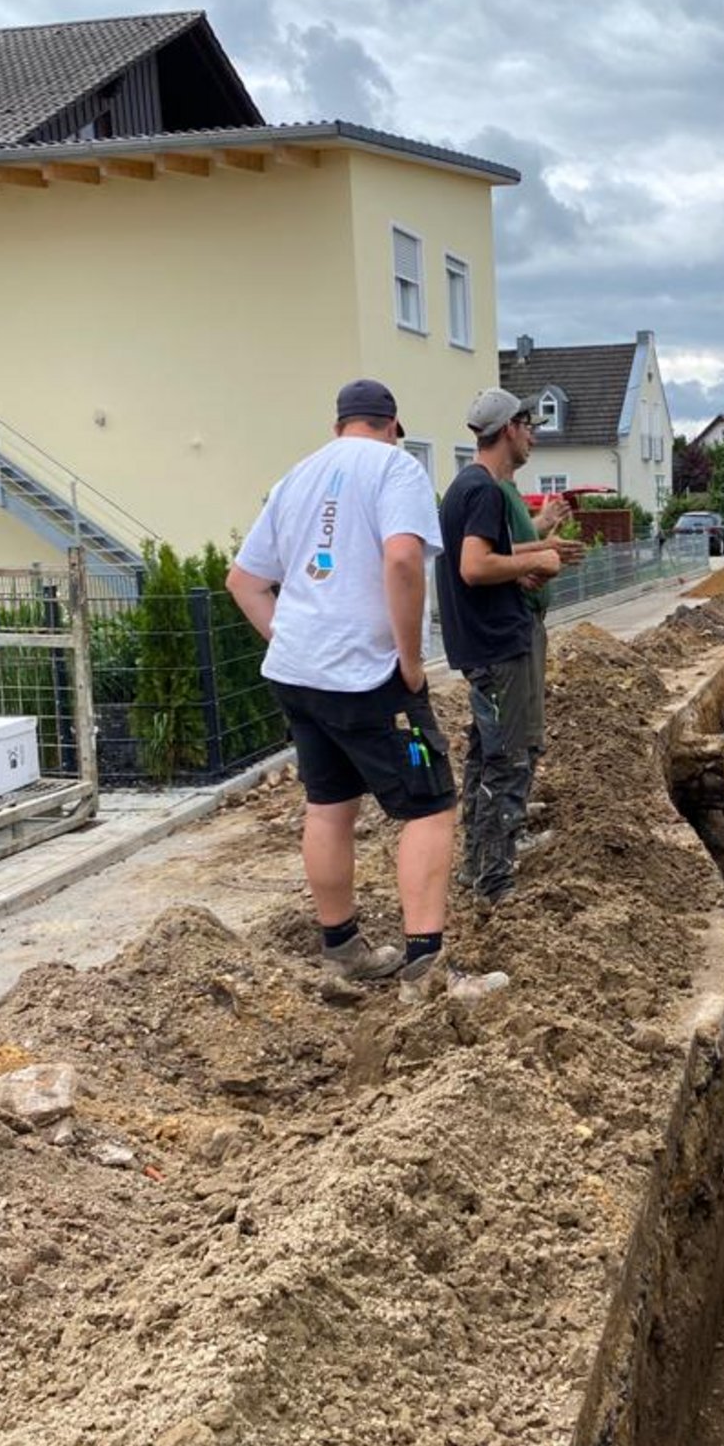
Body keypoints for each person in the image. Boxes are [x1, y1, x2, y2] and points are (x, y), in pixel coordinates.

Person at [225, 378, 507, 1003]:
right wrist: (409, 660)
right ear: (391, 425)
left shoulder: (297, 476)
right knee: (430, 805)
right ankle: (426, 969)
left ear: (338, 427)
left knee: (329, 805)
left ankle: (343, 951)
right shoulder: (394, 469)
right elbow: (404, 561)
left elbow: (243, 580)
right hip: (367, 675)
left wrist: (290, 641)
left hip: (298, 676)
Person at [435, 387, 581, 905]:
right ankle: (495, 883)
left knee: (486, 757)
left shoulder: (466, 487)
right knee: (509, 759)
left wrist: (538, 547)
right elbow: (475, 566)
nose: (533, 437)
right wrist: (535, 564)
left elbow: (487, 555)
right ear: (510, 429)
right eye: (530, 427)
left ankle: (480, 866)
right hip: (499, 645)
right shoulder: (486, 492)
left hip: (483, 645)